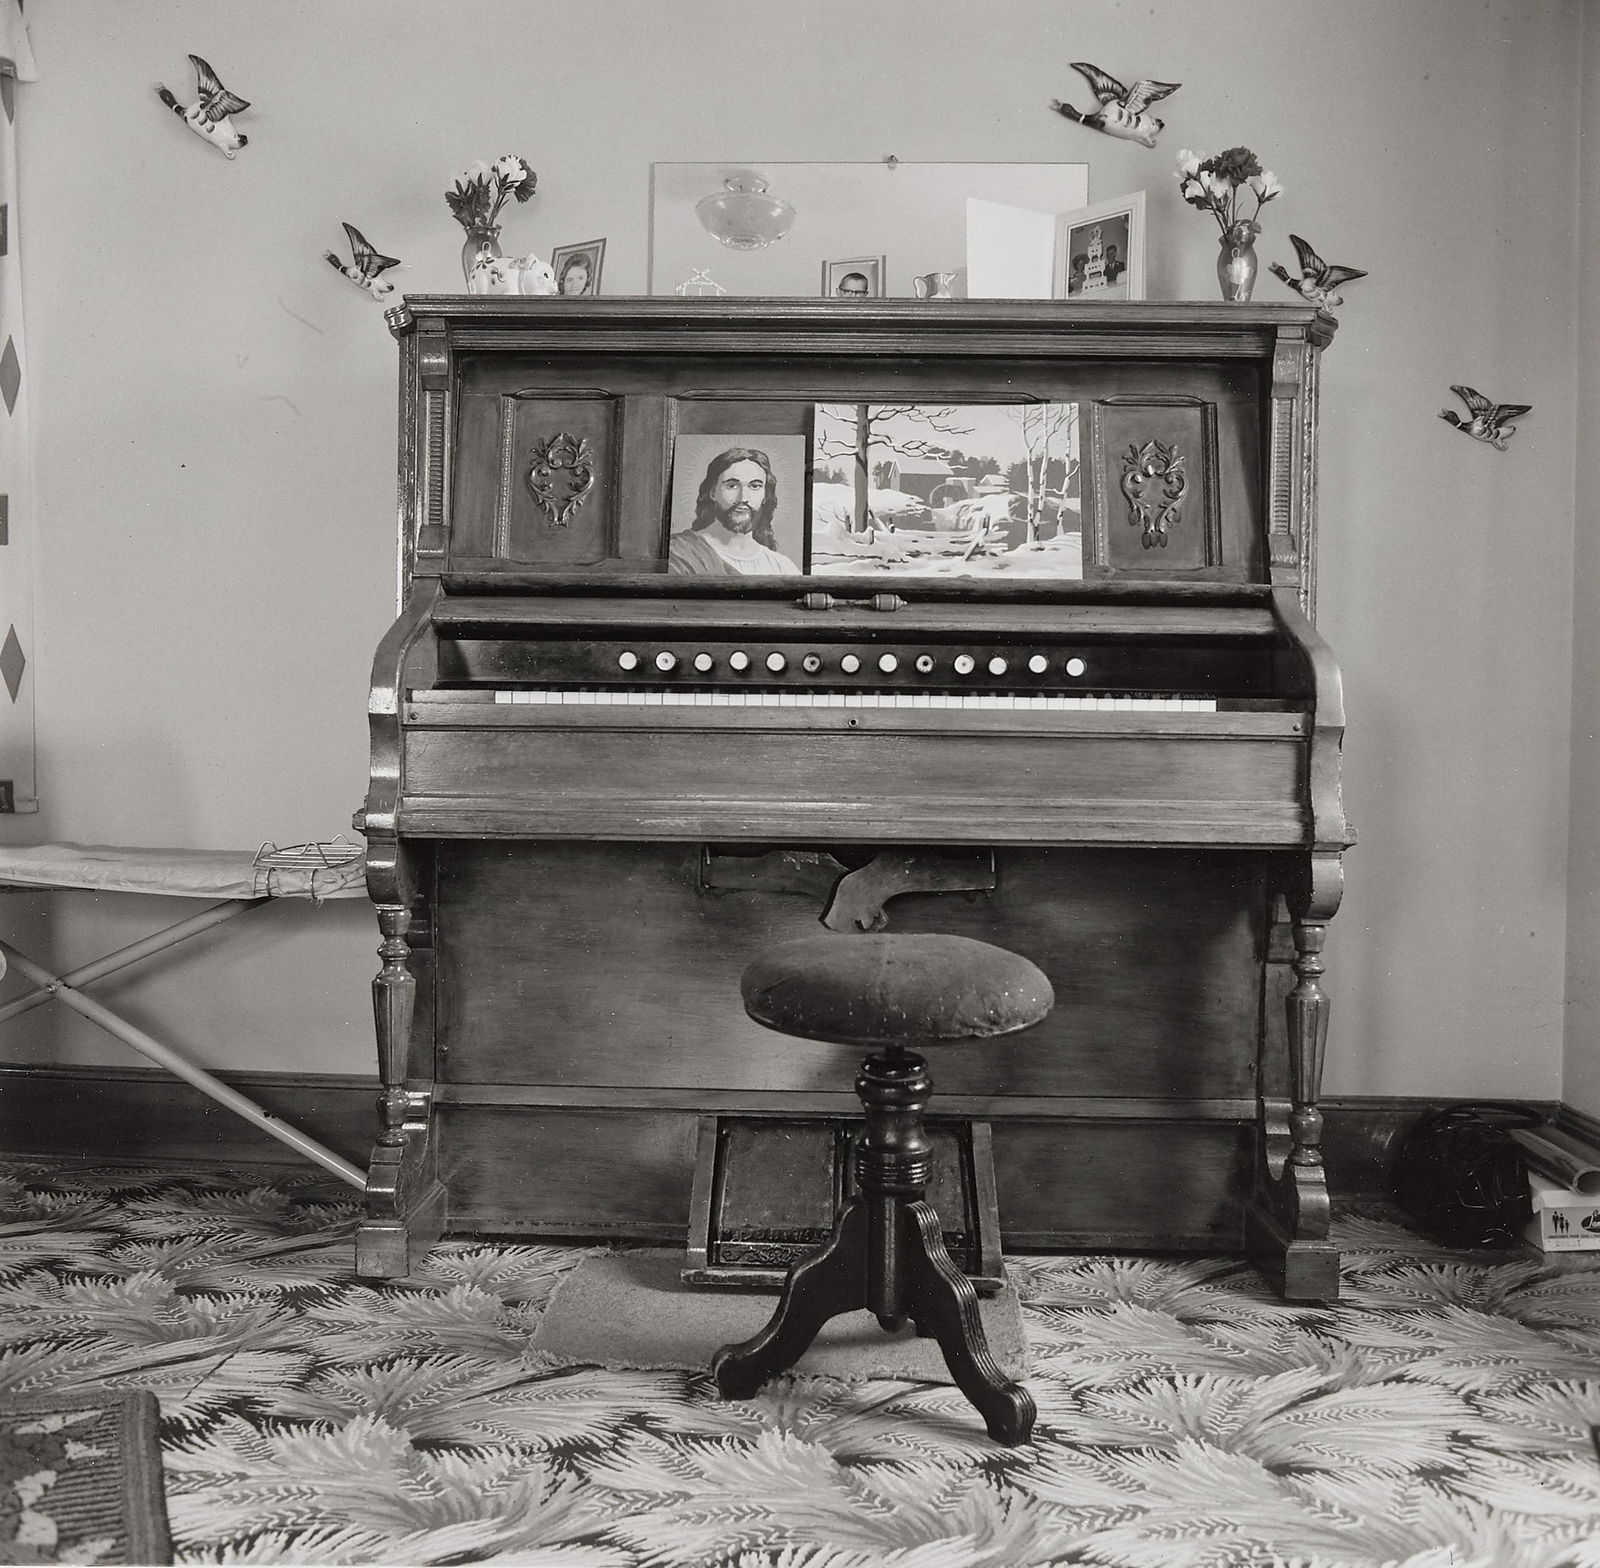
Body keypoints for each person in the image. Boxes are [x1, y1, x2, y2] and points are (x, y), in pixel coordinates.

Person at [669, 447, 800, 575]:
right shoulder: (678, 552)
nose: (743, 498)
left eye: (755, 486)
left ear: (765, 496)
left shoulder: (782, 567)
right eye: (732, 486)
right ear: (713, 492)